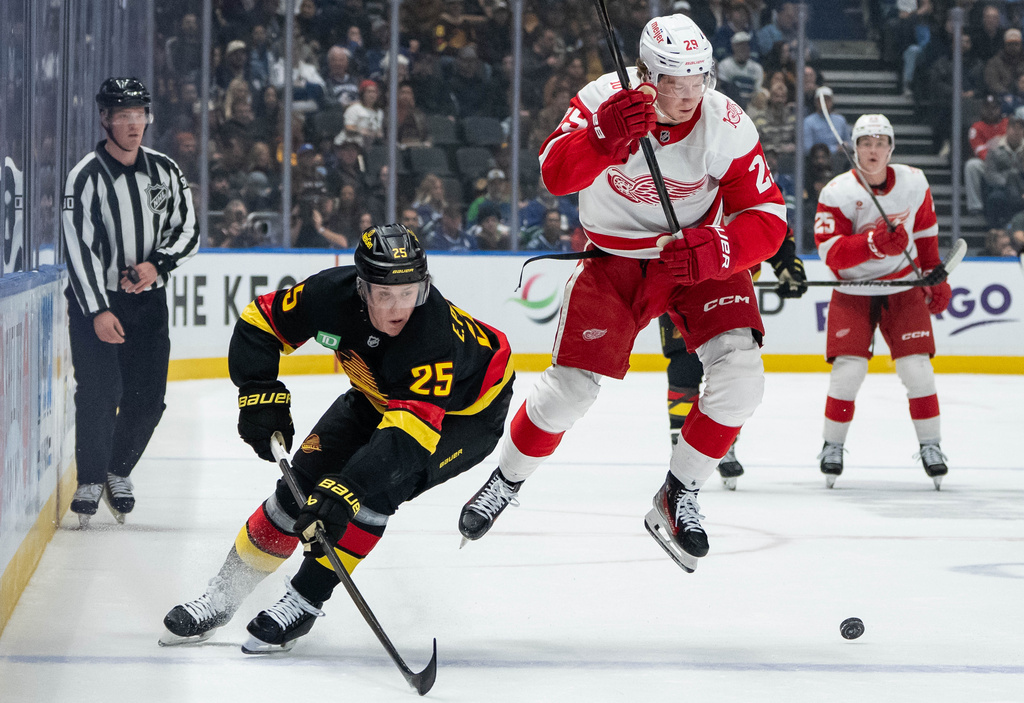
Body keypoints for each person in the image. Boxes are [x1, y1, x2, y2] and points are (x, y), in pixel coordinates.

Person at [456, 14, 787, 573]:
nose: (687, 95)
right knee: (568, 393)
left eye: (697, 79)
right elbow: (556, 176)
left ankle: (678, 493)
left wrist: (720, 250)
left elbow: (768, 218)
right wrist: (602, 137)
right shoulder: (599, 99)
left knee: (742, 377)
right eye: (673, 81)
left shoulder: (726, 123)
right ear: (644, 73)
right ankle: (507, 478)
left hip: (697, 257)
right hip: (613, 263)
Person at [160, 225, 515, 652]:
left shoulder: (431, 336)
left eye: (410, 292)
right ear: (361, 288)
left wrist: (349, 486)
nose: (399, 307)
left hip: (464, 417)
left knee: (375, 493)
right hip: (377, 395)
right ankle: (224, 592)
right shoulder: (329, 294)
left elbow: (408, 438)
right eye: (385, 294)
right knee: (296, 492)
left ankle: (305, 599)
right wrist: (256, 390)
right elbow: (260, 322)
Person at [62, 78, 199, 527]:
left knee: (149, 399)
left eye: (139, 114)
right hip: (95, 305)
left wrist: (157, 265)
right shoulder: (84, 176)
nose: (132, 123)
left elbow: (188, 230)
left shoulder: (165, 171)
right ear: (105, 119)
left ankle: (118, 471)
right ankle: (89, 479)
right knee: (99, 393)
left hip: (148, 304)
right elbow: (77, 249)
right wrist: (99, 310)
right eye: (122, 115)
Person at [814, 113, 952, 490]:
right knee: (848, 371)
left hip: (903, 287)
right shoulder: (837, 192)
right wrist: (872, 243)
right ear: (854, 148)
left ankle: (931, 446)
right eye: (865, 143)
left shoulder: (914, 181)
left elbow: (924, 230)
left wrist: (933, 271)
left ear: (891, 148)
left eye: (880, 143)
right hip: (854, 290)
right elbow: (831, 254)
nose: (873, 150)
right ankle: (832, 445)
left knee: (917, 369)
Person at [659, 226, 807, 490]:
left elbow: (772, 227)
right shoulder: (682, 185)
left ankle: (719, 444)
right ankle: (681, 442)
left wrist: (788, 266)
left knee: (732, 369)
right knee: (683, 366)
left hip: (732, 283)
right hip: (682, 281)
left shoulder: (747, 186)